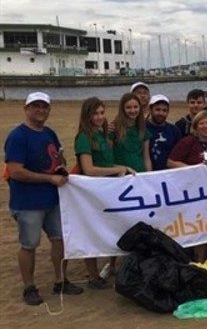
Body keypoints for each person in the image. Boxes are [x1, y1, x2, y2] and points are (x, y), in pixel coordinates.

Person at [5, 92, 83, 305]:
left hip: (53, 199)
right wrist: (49, 178)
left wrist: (60, 168)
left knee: (60, 239)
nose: (40, 110)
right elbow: (15, 171)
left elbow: (58, 157)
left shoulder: (49, 132)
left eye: (44, 107)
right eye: (36, 106)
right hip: (28, 202)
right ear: (26, 108)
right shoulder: (18, 136)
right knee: (29, 244)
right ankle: (29, 287)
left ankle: (60, 280)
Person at [75, 97, 135, 288]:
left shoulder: (101, 135)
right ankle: (92, 276)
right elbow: (89, 169)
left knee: (110, 228)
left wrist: (123, 167)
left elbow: (106, 164)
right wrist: (117, 170)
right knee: (92, 232)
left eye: (102, 113)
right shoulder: (84, 137)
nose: (100, 117)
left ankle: (109, 267)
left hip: (107, 191)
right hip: (92, 192)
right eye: (95, 113)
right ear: (87, 115)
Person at [112, 93, 152, 173]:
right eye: (128, 107)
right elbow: (107, 158)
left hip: (140, 175)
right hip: (121, 176)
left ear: (140, 108)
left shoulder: (143, 130)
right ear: (122, 109)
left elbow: (146, 158)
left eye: (135, 107)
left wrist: (149, 176)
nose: (133, 110)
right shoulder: (114, 129)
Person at [146, 95, 182, 171]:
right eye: (157, 110)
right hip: (148, 174)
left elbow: (179, 155)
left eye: (164, 110)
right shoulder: (142, 128)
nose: (161, 113)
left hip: (169, 174)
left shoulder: (174, 130)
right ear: (150, 109)